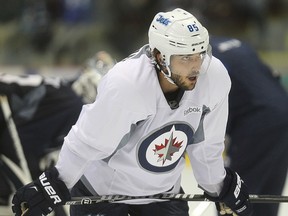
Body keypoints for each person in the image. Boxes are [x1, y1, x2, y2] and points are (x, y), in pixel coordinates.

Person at [11, 8, 253, 216]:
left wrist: (219, 185)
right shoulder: (128, 84)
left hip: (164, 194)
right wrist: (54, 183)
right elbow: (87, 142)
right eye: (186, 57)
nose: (196, 66)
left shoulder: (214, 77)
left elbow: (207, 145)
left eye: (200, 54)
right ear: (160, 56)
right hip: (103, 195)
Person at [210, 36, 288, 216]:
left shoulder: (203, 58)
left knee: (233, 196)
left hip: (256, 121)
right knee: (266, 195)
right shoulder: (237, 44)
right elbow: (271, 76)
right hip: (283, 112)